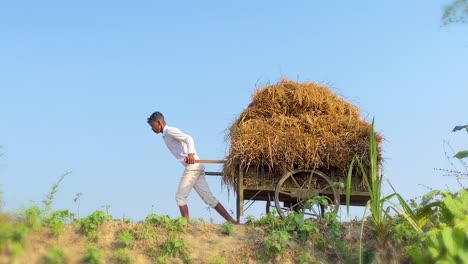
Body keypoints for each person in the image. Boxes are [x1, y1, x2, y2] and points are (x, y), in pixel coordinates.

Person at [147, 111, 238, 224]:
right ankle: (233, 222)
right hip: (196, 167)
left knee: (180, 198)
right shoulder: (165, 135)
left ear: (159, 122)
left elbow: (189, 138)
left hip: (192, 167)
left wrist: (190, 154)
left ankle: (186, 226)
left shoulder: (170, 131)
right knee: (210, 199)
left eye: (152, 125)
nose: (152, 129)